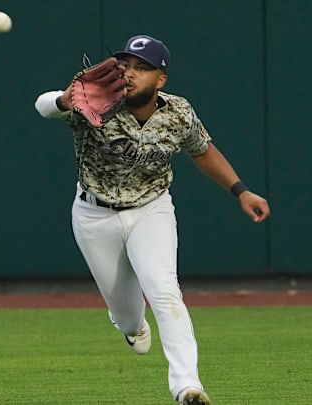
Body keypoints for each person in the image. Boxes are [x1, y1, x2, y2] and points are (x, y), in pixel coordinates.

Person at [34, 35, 270, 405]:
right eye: (125, 64)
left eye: (142, 68)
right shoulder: (93, 101)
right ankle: (132, 325)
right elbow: (43, 106)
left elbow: (202, 150)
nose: (130, 73)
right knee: (129, 318)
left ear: (161, 79)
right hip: (95, 215)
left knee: (164, 290)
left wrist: (241, 190)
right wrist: (64, 101)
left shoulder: (178, 113)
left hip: (151, 209)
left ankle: (187, 386)